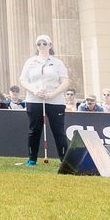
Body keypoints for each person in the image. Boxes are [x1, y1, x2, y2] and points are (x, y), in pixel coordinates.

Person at [17, 34, 69, 166]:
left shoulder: (57, 63)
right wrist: (34, 90)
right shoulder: (30, 62)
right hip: (34, 100)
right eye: (39, 44)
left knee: (58, 131)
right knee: (34, 130)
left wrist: (53, 93)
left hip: (55, 101)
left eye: (44, 44)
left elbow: (65, 82)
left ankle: (64, 160)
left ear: (50, 46)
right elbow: (23, 80)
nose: (41, 46)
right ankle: (32, 159)